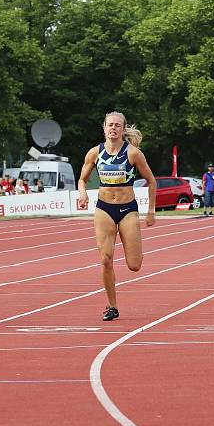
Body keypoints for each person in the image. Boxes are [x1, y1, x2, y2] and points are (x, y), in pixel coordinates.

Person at [77, 111, 157, 321]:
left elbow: (151, 180)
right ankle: (111, 306)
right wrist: (83, 193)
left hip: (127, 209)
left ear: (123, 129)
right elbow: (82, 179)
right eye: (110, 125)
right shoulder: (94, 153)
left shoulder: (133, 154)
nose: (113, 128)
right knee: (105, 259)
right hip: (104, 208)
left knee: (134, 265)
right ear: (104, 128)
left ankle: (134, 249)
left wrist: (150, 210)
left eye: (117, 125)